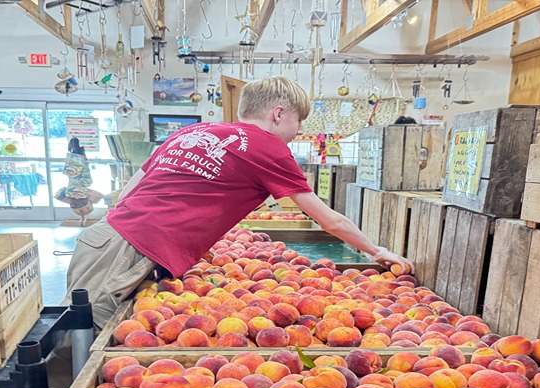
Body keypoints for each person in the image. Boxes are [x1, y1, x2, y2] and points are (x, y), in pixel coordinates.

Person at [65, 75, 414, 327]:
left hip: (105, 237)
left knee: (83, 331)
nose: (298, 131)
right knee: (88, 339)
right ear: (278, 114)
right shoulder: (269, 147)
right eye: (298, 121)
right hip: (129, 249)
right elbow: (329, 220)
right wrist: (377, 251)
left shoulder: (194, 131)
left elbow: (129, 193)